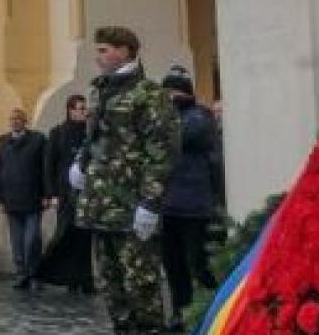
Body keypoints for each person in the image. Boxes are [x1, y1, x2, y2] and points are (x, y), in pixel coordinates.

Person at [70, 26, 179, 334]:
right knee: (110, 283)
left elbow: (162, 152)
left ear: (125, 51)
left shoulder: (149, 94)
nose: (98, 56)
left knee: (140, 284)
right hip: (101, 205)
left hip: (132, 206)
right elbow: (93, 138)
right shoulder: (100, 90)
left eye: (104, 50)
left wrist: (150, 203)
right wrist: (80, 163)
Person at [158, 65, 221, 332]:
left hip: (194, 206)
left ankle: (209, 310)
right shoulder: (164, 116)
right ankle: (180, 311)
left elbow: (189, 134)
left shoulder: (200, 116)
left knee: (198, 263)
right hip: (167, 205)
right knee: (173, 265)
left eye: (173, 90)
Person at [36, 94, 95, 293]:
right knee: (63, 235)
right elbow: (49, 166)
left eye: (84, 108)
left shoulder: (91, 133)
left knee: (84, 238)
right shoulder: (58, 133)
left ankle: (85, 279)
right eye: (80, 108)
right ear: (70, 110)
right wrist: (51, 193)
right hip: (65, 194)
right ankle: (44, 272)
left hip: (87, 193)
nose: (83, 111)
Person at [0, 107, 49, 291]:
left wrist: (47, 194)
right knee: (16, 241)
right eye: (12, 119)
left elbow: (45, 169)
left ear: (25, 121)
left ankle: (34, 274)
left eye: (19, 118)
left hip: (33, 198)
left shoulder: (38, 140)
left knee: (32, 240)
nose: (15, 121)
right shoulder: (0, 142)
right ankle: (21, 273)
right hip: (11, 198)